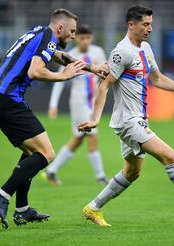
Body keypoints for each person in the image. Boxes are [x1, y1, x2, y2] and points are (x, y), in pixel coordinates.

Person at [78, 6, 174, 227]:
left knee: (132, 172)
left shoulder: (146, 48)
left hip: (139, 118)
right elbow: (104, 86)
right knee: (169, 156)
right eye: (146, 24)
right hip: (128, 121)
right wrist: (95, 119)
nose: (150, 28)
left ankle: (92, 208)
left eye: (151, 24)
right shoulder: (121, 52)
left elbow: (158, 79)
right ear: (131, 24)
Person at [0, 9, 108, 229]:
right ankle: (2, 194)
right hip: (7, 100)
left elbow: (61, 57)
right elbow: (35, 71)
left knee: (31, 152)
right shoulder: (48, 37)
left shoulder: (39, 34)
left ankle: (22, 210)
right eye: (71, 32)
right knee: (46, 153)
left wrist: (91, 68)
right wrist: (63, 76)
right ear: (59, 28)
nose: (73, 36)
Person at [44, 25, 109, 185]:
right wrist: (53, 104)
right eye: (82, 38)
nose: (85, 41)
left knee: (78, 139)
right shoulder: (70, 56)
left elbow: (105, 73)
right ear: (76, 38)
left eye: (88, 38)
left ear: (91, 38)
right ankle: (100, 176)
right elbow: (59, 81)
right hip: (79, 102)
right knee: (92, 136)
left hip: (92, 101)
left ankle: (51, 171)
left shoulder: (98, 52)